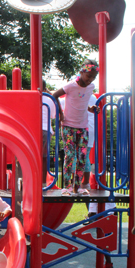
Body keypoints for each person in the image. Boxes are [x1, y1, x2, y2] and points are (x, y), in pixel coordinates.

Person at [53, 59, 99, 196]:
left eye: (93, 77)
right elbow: (54, 95)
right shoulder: (70, 86)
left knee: (82, 157)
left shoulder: (91, 87)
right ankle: (67, 187)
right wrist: (60, 113)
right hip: (68, 126)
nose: (90, 80)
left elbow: (82, 103)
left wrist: (91, 109)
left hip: (83, 127)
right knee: (70, 156)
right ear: (81, 72)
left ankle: (77, 187)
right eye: (88, 76)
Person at [42, 80, 57, 184]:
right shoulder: (49, 99)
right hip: (46, 130)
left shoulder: (29, 98)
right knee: (43, 158)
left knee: (30, 159)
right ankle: (42, 183)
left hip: (31, 130)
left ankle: (29, 182)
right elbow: (53, 115)